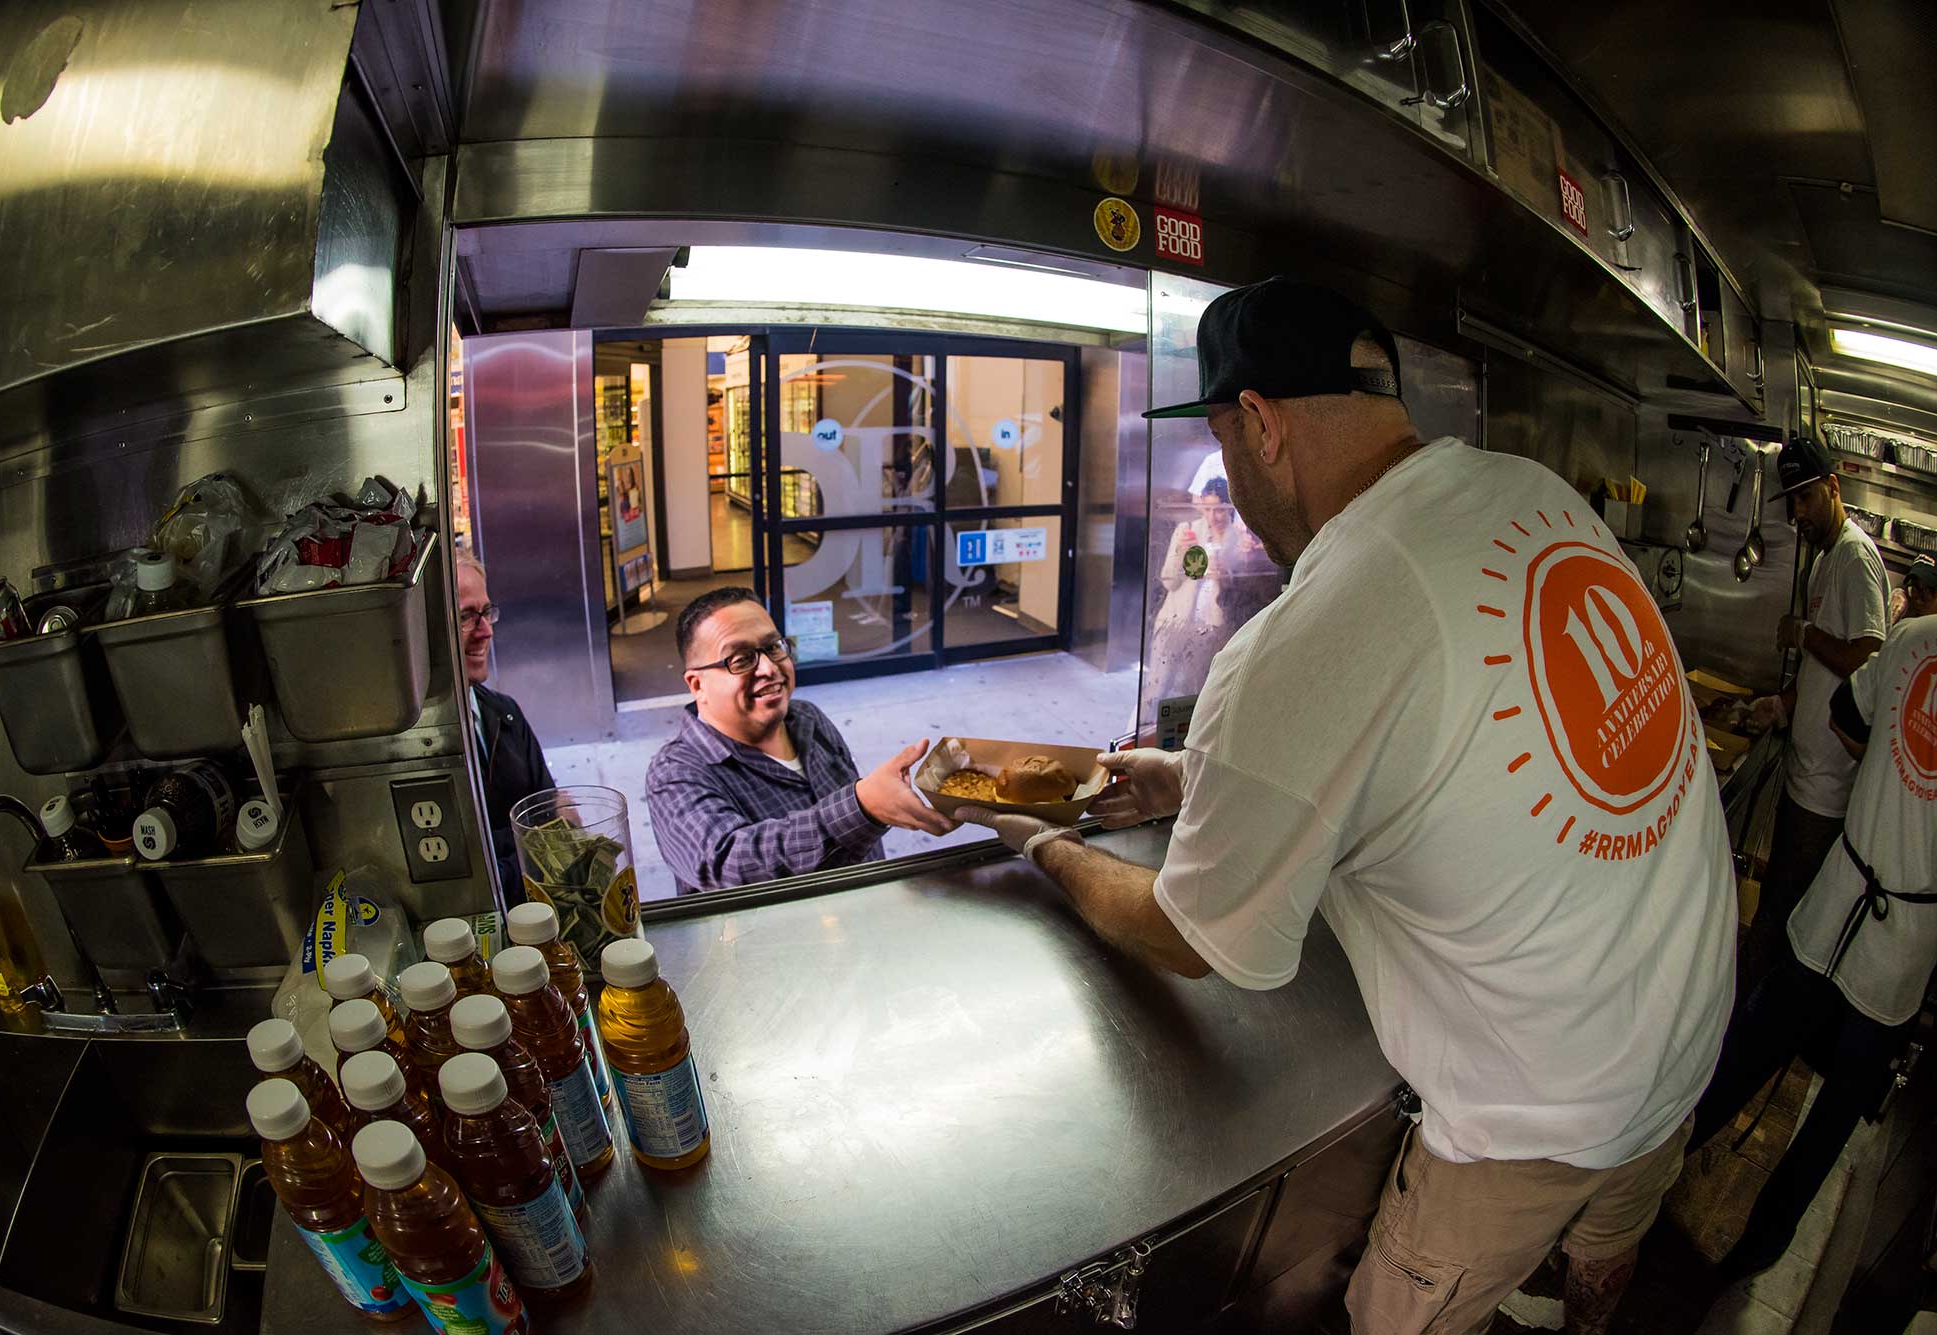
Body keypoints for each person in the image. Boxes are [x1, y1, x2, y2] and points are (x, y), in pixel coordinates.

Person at [957, 278, 1735, 1335]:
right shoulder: (1526, 494)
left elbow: (1197, 938)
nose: (1227, 476)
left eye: (1225, 443)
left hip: (1536, 1115)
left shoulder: (1316, 626)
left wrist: (1045, 843)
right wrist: (1192, 777)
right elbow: (1442, 746)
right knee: (1600, 1273)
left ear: (1262, 424)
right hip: (1684, 1036)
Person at [1689, 579, 1937, 1279]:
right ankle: (1752, 1256)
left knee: (1754, 1042)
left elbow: (1845, 720)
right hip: (1907, 936)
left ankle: (1663, 1165)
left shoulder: (1913, 642)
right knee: (1834, 1114)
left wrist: (1894, 772)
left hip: (1843, 893)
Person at [646, 587, 954, 891]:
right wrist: (862, 807)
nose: (768, 668)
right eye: (740, 659)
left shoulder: (808, 718)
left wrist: (885, 806)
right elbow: (728, 866)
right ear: (697, 684)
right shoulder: (675, 774)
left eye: (774, 647)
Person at [1741, 437, 1888, 986]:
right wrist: (1782, 706)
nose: (1798, 513)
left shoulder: (1853, 556)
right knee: (1778, 902)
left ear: (1834, 488)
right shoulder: (1828, 560)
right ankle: (1753, 998)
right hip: (1806, 778)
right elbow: (1825, 673)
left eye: (1807, 499)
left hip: (1826, 792)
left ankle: (1749, 1020)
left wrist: (1804, 633)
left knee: (1785, 914)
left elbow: (1868, 658)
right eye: (1792, 503)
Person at [456, 550, 556, 904]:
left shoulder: (505, 714)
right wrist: (525, 847)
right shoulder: (420, 746)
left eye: (486, 613)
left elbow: (555, 829)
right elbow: (467, 883)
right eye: (466, 616)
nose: (484, 632)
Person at [1147, 477, 1253, 705]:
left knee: (1197, 695)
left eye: (1219, 510)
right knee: (1156, 691)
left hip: (1211, 630)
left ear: (1230, 507)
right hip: (1176, 625)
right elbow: (1168, 582)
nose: (1212, 517)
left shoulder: (1238, 540)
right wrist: (1181, 554)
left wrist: (1227, 575)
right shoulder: (1187, 531)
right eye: (1207, 509)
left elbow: (1242, 593)